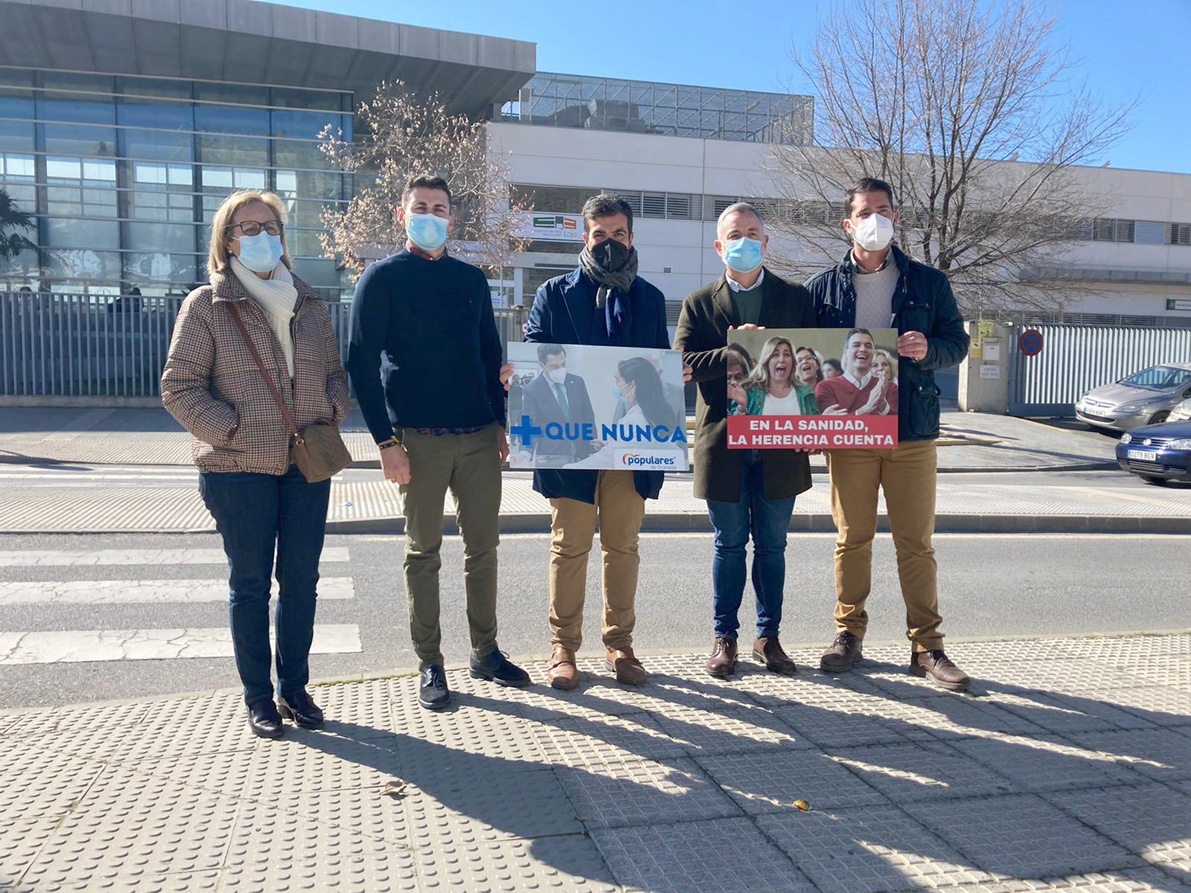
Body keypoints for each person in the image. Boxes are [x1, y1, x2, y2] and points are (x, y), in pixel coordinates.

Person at [161, 190, 349, 739]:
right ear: (227, 239)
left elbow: (336, 373)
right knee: (250, 585)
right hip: (237, 467)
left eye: (270, 226)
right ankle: (258, 697)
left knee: (303, 580)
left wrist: (333, 408)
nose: (261, 236)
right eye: (247, 227)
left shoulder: (309, 303)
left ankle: (295, 687)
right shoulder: (207, 304)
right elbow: (178, 388)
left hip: (305, 461)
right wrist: (234, 431)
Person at [345, 174, 529, 711]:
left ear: (452, 219)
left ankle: (485, 651)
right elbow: (359, 362)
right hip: (417, 441)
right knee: (423, 553)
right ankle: (430, 661)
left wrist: (499, 424)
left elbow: (488, 354)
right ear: (403, 216)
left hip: (477, 438)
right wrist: (385, 442)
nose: (431, 215)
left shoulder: (471, 281)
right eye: (420, 207)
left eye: (440, 208)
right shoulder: (380, 279)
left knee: (484, 550)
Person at [804, 176, 971, 692]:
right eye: (863, 211)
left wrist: (931, 350)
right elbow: (808, 356)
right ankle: (847, 634)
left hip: (911, 431)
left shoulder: (929, 282)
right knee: (851, 538)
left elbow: (957, 343)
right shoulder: (823, 287)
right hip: (850, 432)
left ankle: (927, 646)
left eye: (882, 209)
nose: (873, 218)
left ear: (895, 218)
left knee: (915, 543)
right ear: (847, 223)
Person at [524, 194, 671, 690]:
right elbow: (535, 356)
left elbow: (659, 367)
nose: (610, 243)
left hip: (630, 445)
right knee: (569, 547)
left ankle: (620, 644)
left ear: (632, 238)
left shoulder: (649, 298)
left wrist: (676, 378)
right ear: (584, 238)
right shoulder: (554, 293)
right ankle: (563, 647)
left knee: (623, 545)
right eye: (600, 236)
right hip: (573, 445)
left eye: (619, 235)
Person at [675, 201, 815, 679]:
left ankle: (768, 636)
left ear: (767, 241)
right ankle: (724, 638)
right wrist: (732, 351)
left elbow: (816, 364)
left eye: (753, 232)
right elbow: (682, 367)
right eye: (735, 234)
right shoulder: (698, 303)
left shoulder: (796, 299)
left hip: (780, 440)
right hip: (723, 442)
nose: (744, 241)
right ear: (719, 246)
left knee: (773, 545)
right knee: (729, 543)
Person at [566, 356, 680, 467]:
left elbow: (609, 459)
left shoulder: (636, 420)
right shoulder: (657, 411)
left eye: (618, 381)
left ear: (633, 385)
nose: (617, 386)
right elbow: (643, 446)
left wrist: (569, 467)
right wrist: (609, 445)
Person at [517, 344, 597, 466]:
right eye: (554, 366)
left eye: (563, 364)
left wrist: (592, 450)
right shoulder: (531, 390)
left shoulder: (577, 382)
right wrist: (525, 453)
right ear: (542, 365)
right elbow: (531, 424)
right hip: (551, 458)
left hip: (581, 456)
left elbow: (588, 417)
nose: (560, 369)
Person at [815, 328, 898, 415]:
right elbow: (832, 426)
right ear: (845, 352)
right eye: (856, 345)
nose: (863, 349)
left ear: (873, 353)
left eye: (868, 346)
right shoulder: (826, 387)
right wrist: (866, 409)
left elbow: (899, 426)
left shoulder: (890, 388)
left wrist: (883, 407)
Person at [729, 335, 819, 416]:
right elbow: (733, 431)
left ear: (792, 362)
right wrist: (742, 408)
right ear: (766, 360)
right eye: (775, 355)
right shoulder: (748, 391)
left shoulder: (806, 393)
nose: (782, 359)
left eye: (787, 354)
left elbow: (816, 428)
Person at [725, 344, 753, 416]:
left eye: (738, 377)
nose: (733, 382)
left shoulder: (752, 398)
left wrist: (742, 408)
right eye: (728, 377)